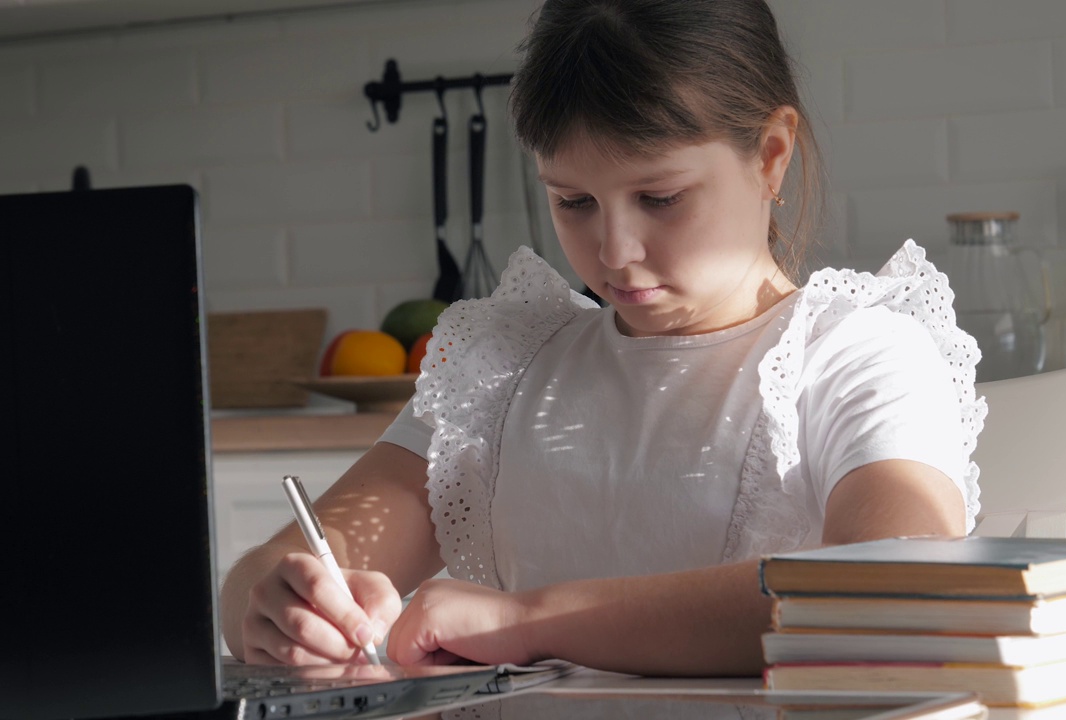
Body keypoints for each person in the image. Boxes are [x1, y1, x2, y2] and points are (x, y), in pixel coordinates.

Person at [220, 0, 983, 677]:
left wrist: (530, 623)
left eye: (660, 197)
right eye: (573, 201)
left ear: (771, 155)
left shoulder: (857, 356)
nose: (614, 250)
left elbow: (890, 586)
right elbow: (263, 572)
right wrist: (277, 608)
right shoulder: (505, 367)